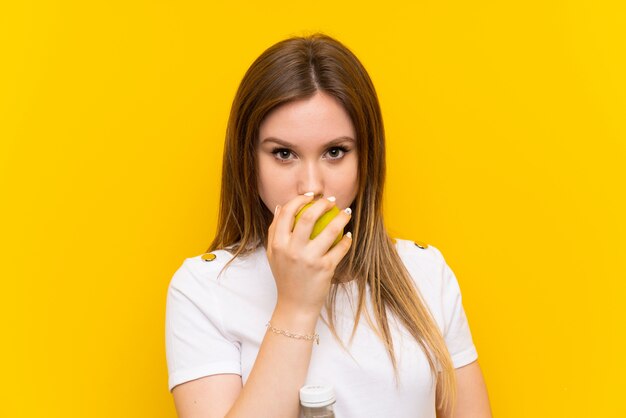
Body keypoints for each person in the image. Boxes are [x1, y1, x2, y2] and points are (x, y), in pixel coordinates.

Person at [165, 33, 492, 418]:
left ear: (366, 159)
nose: (311, 185)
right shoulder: (203, 290)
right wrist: (295, 305)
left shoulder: (425, 273)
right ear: (247, 162)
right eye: (283, 154)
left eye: (335, 152)